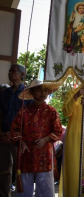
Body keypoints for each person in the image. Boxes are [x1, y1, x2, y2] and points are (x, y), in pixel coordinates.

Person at [11, 79, 62, 197]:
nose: (43, 93)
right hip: (26, 152)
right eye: (39, 90)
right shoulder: (24, 111)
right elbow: (15, 129)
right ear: (32, 92)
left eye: (45, 90)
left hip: (44, 153)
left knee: (45, 183)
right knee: (24, 182)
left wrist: (46, 139)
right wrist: (21, 141)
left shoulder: (51, 111)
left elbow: (58, 131)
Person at [0, 64, 30, 197]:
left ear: (22, 74)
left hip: (19, 137)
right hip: (4, 135)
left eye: (14, 71)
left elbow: (29, 117)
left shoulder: (28, 94)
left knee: (21, 169)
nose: (10, 73)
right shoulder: (4, 93)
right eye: (10, 71)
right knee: (3, 170)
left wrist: (18, 135)